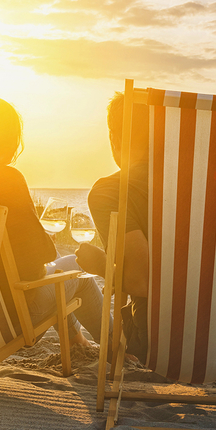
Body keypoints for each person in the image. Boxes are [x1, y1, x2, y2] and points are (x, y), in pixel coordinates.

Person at [0, 94, 103, 351]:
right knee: (78, 273)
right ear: (9, 139)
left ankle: (77, 342)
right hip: (3, 322)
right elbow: (35, 266)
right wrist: (42, 241)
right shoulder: (6, 180)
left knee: (59, 273)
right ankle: (118, 348)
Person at [75, 92, 150, 362]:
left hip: (158, 339)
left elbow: (141, 280)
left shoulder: (111, 191)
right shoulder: (212, 188)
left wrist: (101, 265)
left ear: (114, 138)